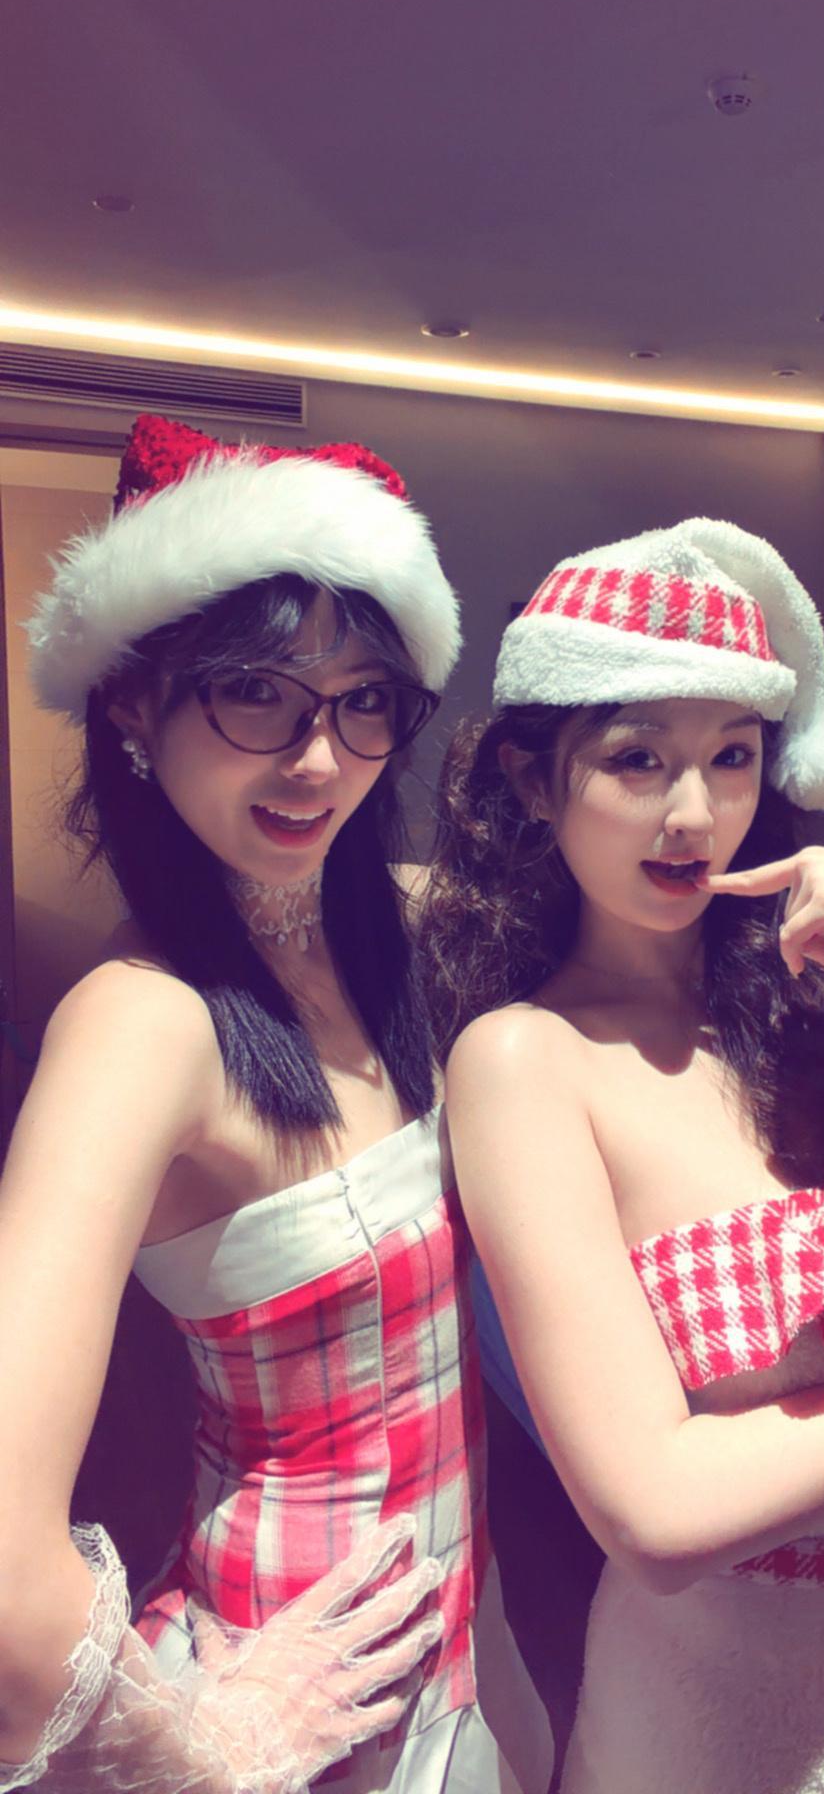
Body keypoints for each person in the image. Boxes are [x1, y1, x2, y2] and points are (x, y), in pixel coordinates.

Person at [422, 517, 824, 1794]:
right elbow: (658, 1513)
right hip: (746, 1737)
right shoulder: (527, 1063)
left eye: (732, 755)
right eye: (637, 758)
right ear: (529, 780)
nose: (695, 815)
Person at [0, 415, 550, 1794]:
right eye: (256, 692)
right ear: (135, 705)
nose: (319, 760)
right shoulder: (140, 1025)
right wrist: (202, 1744)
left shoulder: (401, 938)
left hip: (461, 1659)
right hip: (290, 1698)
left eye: (366, 699)